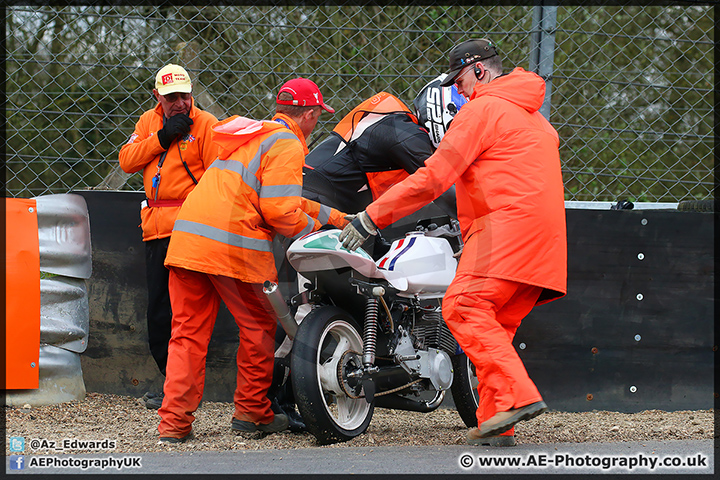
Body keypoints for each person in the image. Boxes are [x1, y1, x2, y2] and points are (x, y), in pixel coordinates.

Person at [340, 38, 567, 447]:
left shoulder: (481, 110)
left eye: (459, 80)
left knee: (462, 306)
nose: (456, 90)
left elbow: (432, 178)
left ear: (479, 69)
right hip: (546, 243)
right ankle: (499, 422)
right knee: (494, 328)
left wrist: (372, 216)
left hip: (504, 232)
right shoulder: (536, 119)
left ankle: (520, 396)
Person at [268, 79, 468, 431]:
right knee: (300, 309)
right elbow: (441, 182)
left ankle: (378, 362)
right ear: (442, 112)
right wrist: (479, 219)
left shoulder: (387, 123)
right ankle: (278, 404)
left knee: (313, 303)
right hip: (319, 208)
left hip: (322, 208)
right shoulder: (399, 126)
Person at [156, 78, 348, 443]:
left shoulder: (251, 135)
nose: (316, 123)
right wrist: (318, 231)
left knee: (186, 336)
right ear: (309, 114)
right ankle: (252, 412)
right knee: (260, 325)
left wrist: (337, 217)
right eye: (317, 117)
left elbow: (278, 197)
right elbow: (281, 212)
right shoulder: (289, 144)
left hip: (187, 242)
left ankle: (174, 424)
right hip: (232, 244)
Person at [118, 64, 219, 410]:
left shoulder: (206, 124)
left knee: (186, 314)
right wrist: (161, 138)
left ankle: (182, 390)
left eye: (184, 95)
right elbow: (127, 160)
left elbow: (219, 177)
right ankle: (171, 382)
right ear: (157, 97)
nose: (179, 103)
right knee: (159, 313)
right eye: (171, 97)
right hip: (155, 228)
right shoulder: (148, 121)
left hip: (191, 228)